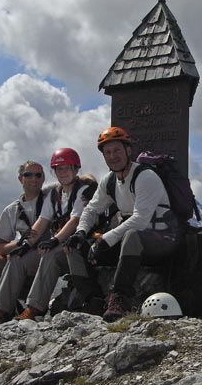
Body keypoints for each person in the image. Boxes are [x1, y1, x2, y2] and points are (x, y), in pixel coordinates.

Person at [64, 126, 180, 322]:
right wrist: (81, 232)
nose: (113, 156)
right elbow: (92, 209)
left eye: (117, 150)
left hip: (161, 238)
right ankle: (92, 300)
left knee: (132, 234)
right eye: (107, 152)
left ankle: (119, 298)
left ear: (128, 150)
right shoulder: (109, 180)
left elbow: (141, 220)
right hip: (130, 242)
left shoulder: (145, 176)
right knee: (73, 247)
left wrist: (105, 240)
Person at [12, 148, 97, 321]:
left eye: (67, 168)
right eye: (59, 169)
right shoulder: (54, 194)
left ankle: (34, 308)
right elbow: (42, 221)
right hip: (64, 243)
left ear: (76, 169)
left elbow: (75, 220)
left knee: (50, 255)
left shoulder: (84, 191)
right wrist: (27, 244)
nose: (63, 172)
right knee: (18, 259)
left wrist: (54, 240)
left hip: (83, 242)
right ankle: (2, 309)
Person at [0, 160, 50, 330]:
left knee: (17, 259)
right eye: (28, 175)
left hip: (46, 251)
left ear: (44, 178)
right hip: (25, 253)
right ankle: (12, 304)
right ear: (20, 179)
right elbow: (0, 248)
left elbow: (78, 181)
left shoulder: (52, 196)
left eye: (38, 175)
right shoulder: (11, 210)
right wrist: (20, 242)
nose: (34, 179)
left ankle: (0, 311)